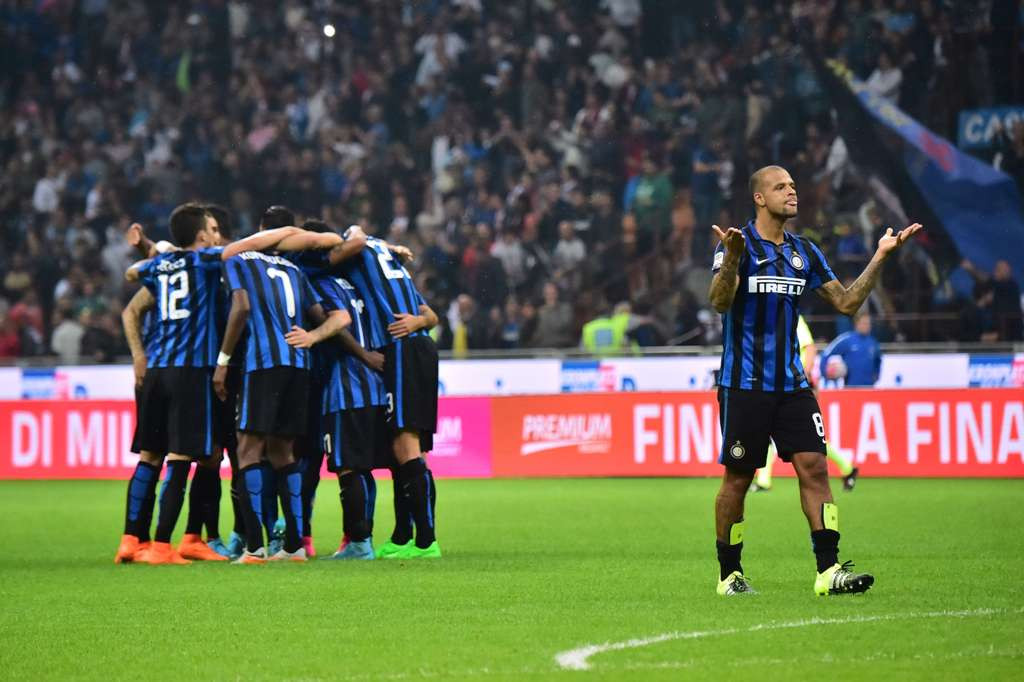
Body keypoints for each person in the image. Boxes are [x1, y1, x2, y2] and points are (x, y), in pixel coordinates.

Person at [708, 164, 921, 596]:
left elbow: (847, 303)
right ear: (759, 198)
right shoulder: (737, 243)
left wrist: (880, 256)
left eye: (792, 185)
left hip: (792, 385)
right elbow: (719, 301)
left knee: (816, 468)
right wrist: (730, 260)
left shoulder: (804, 251)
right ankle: (729, 574)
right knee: (739, 478)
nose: (792, 191)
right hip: (744, 384)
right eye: (780, 187)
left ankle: (829, 570)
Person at [214, 230, 350, 563]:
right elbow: (329, 317)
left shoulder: (237, 258)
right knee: (282, 452)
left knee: (247, 450)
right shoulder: (294, 270)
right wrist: (313, 337)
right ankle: (294, 546)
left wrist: (223, 361)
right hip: (298, 365)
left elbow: (241, 307)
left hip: (263, 363)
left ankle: (254, 548)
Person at [114, 203, 231, 565]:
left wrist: (147, 249)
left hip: (157, 369)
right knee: (181, 457)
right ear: (202, 235)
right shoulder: (206, 262)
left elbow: (134, 273)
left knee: (152, 456)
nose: (216, 237)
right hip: (191, 370)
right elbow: (133, 308)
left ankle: (132, 540)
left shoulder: (163, 264)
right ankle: (164, 545)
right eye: (212, 230)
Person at [325, 225, 443, 559]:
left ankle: (426, 542)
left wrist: (355, 235)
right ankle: (404, 536)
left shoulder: (359, 255)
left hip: (402, 350)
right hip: (420, 346)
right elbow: (431, 315)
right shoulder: (389, 264)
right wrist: (419, 322)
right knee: (408, 449)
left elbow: (355, 238)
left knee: (406, 447)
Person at [751, 315, 860, 493]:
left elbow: (809, 348)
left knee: (808, 437)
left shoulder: (790, 315)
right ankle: (764, 480)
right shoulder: (771, 317)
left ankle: (847, 467)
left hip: (794, 387)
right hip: (780, 385)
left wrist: (803, 377)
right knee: (769, 432)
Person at [821, 312, 882, 387]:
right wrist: (824, 372)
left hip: (869, 387)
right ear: (857, 324)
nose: (867, 326)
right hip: (850, 387)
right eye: (864, 323)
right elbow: (826, 353)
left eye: (868, 324)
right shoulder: (847, 339)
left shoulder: (873, 342)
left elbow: (878, 360)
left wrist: (877, 374)